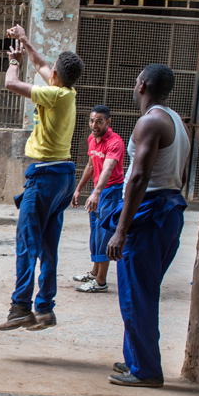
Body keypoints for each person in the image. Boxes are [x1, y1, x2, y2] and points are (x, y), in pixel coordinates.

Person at [103, 64, 190, 387]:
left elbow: (139, 177)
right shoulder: (176, 120)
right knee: (141, 290)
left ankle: (146, 370)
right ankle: (135, 358)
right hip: (169, 209)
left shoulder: (150, 121)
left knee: (137, 292)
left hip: (149, 213)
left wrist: (121, 230)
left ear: (141, 85)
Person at [0, 24, 84, 332]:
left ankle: (21, 306)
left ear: (57, 77)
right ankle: (45, 308)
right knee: (48, 244)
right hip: (63, 176)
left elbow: (11, 83)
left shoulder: (52, 95)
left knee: (28, 243)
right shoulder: (68, 92)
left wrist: (12, 61)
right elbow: (41, 64)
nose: (49, 71)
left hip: (44, 175)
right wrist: (24, 40)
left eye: (53, 70)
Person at [71, 105, 125, 293]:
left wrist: (97, 193)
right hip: (98, 190)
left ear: (108, 122)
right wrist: (79, 189)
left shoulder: (115, 142)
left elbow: (108, 169)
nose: (94, 125)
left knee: (104, 235)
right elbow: (91, 166)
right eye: (92, 120)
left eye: (99, 121)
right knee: (95, 231)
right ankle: (94, 273)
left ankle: (101, 282)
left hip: (110, 191)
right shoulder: (92, 139)